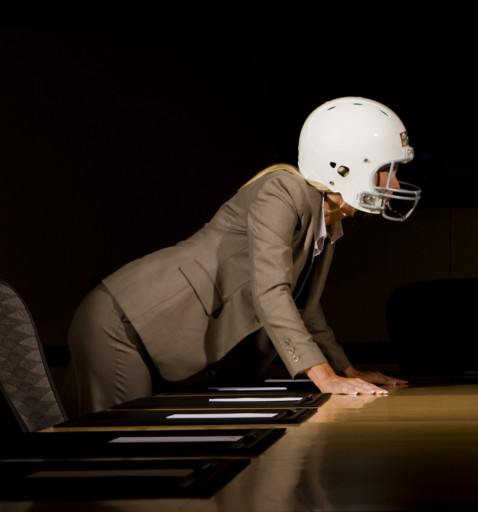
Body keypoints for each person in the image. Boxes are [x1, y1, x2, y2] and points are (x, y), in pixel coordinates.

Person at [66, 97, 418, 416]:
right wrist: (324, 378)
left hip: (157, 334)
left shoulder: (327, 223)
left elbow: (305, 309)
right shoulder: (284, 190)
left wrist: (347, 372)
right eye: (388, 170)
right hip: (125, 323)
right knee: (121, 455)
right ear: (342, 166)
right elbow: (270, 293)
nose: (397, 185)